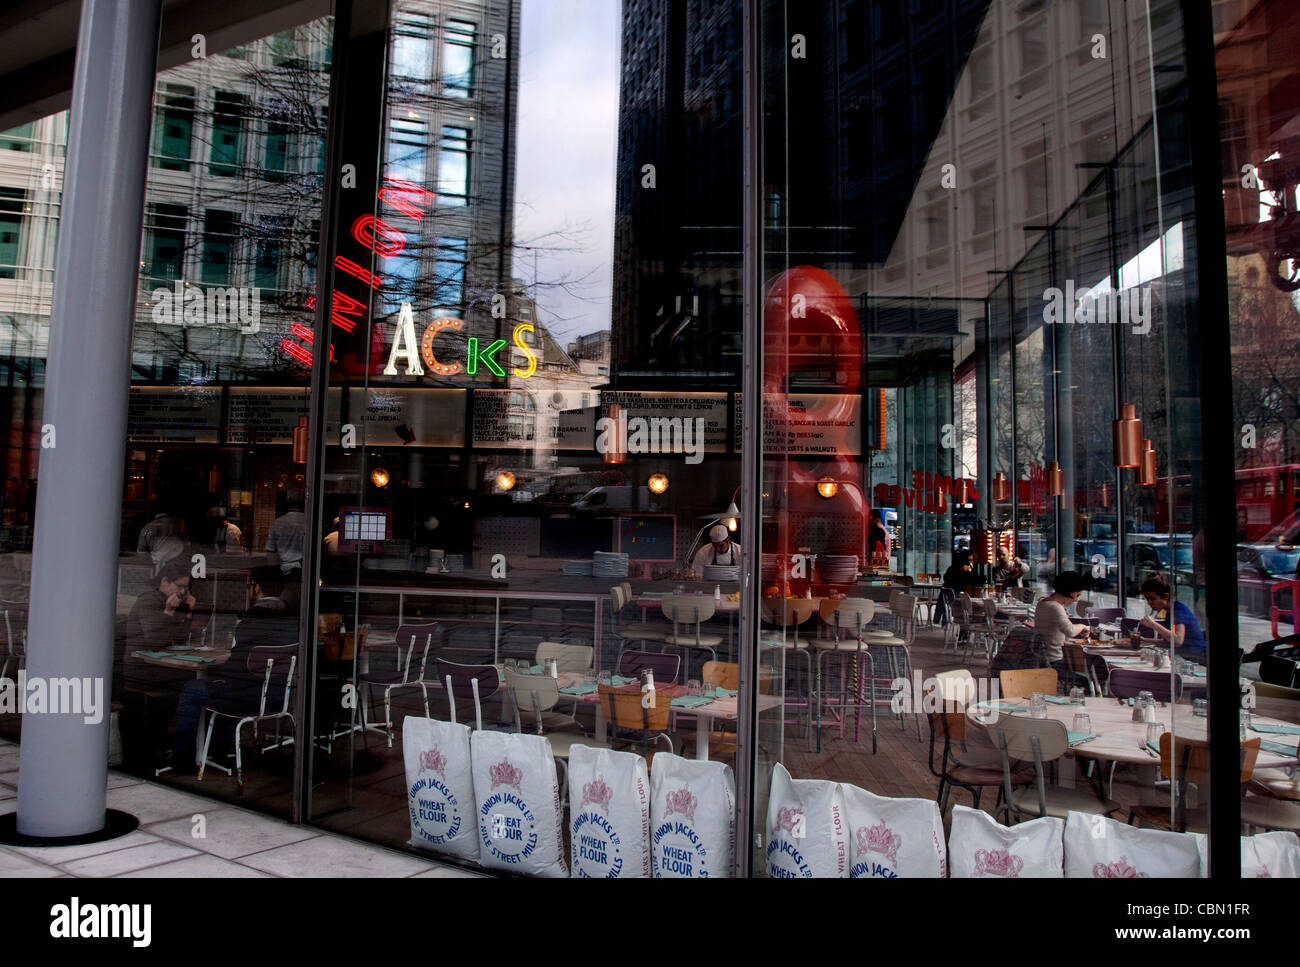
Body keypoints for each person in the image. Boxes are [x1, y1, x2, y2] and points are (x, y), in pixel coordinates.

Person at [170, 566, 299, 773]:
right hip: (278, 696)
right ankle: (221, 748)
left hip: (245, 698)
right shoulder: (294, 621)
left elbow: (235, 670)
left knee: (191, 689)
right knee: (220, 686)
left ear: (256, 588)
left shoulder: (251, 621)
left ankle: (183, 758)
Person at [126, 556, 195, 651]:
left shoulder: (171, 601)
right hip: (144, 662)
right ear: (164, 581)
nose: (182, 591)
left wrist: (188, 612)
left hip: (165, 658)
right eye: (179, 586)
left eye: (185, 588)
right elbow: (155, 641)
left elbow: (181, 640)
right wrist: (168, 613)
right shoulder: (148, 600)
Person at [1139, 574, 1207, 664]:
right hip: (1184, 655)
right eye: (1147, 599)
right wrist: (1144, 641)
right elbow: (1168, 642)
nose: (1149, 603)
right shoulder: (1169, 612)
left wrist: (1154, 625)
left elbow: (1178, 641)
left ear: (1166, 596)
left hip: (1195, 657)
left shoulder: (1178, 611)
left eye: (1152, 599)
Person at [1033, 570, 1091, 669]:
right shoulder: (1055, 607)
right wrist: (1083, 626)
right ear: (1070, 592)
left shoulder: (1042, 603)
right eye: (1077, 595)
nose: (1076, 600)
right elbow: (1070, 631)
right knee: (1091, 669)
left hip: (1042, 658)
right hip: (1055, 661)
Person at [266, 490, 307, 577]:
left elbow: (270, 551)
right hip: (305, 570)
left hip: (283, 570)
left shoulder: (277, 522)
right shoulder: (308, 522)